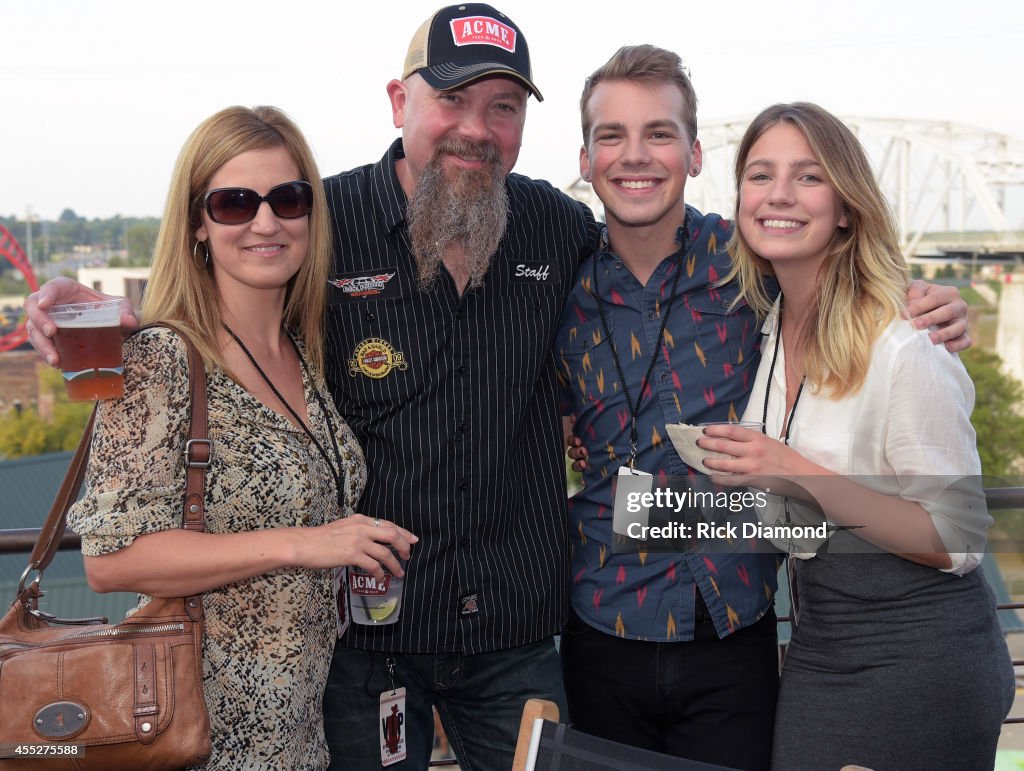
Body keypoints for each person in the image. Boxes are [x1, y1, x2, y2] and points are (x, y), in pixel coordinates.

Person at [555, 47, 973, 770]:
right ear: (585, 158)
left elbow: (841, 279)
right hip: (600, 628)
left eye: (659, 133)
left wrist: (931, 301)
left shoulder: (744, 259)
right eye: (612, 136)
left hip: (737, 631)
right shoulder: (556, 278)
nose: (636, 156)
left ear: (693, 153)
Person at [65, 105, 416, 770]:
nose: (266, 222)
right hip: (197, 740)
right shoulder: (158, 359)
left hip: (299, 740)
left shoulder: (305, 353)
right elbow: (107, 559)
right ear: (198, 222)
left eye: (288, 199)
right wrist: (303, 544)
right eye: (234, 203)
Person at [697, 102, 1013, 770]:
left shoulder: (905, 341)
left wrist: (794, 470)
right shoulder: (771, 323)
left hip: (923, 659)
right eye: (760, 175)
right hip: (820, 647)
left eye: (807, 177)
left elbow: (956, 538)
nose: (778, 193)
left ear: (845, 206)